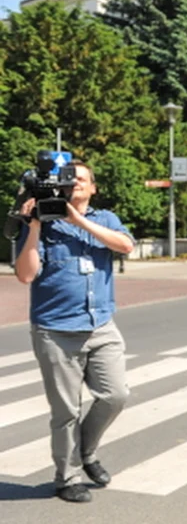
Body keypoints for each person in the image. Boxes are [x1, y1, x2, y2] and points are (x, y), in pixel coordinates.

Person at [15, 161, 135, 504]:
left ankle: (86, 451)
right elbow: (25, 275)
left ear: (93, 188)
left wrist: (76, 220)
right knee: (66, 410)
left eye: (82, 179)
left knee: (116, 395)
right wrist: (36, 226)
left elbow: (125, 246)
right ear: (61, 185)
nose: (76, 183)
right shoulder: (42, 223)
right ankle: (66, 477)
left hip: (100, 325)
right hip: (55, 330)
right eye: (70, 179)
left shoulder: (105, 219)